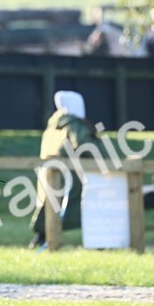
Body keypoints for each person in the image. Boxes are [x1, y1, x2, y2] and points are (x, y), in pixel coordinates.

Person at [31, 90, 96, 247]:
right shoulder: (73, 125)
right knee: (87, 203)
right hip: (69, 176)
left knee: (49, 204)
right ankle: (100, 241)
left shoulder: (53, 125)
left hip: (48, 173)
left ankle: (42, 237)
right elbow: (84, 145)